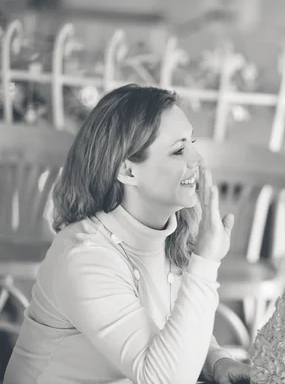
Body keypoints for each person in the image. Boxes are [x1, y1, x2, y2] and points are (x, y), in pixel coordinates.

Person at [4, 84, 251, 384]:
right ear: (128, 171)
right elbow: (164, 379)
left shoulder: (169, 233)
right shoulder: (85, 257)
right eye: (178, 150)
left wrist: (217, 361)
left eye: (193, 142)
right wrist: (206, 262)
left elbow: (173, 325)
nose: (197, 159)